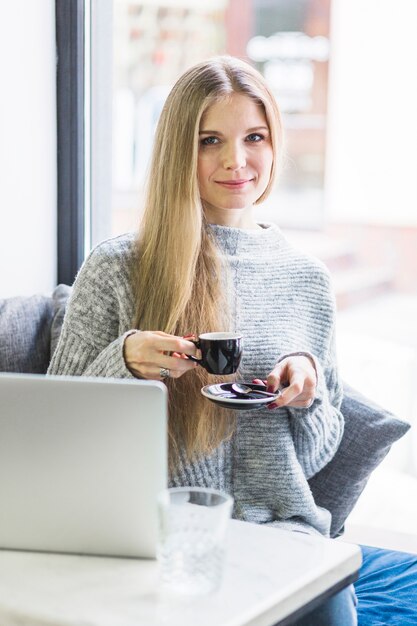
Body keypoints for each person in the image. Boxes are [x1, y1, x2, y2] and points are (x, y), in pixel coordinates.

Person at [48, 56, 356, 624]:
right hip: (150, 539)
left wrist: (308, 398)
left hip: (285, 542)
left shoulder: (307, 279)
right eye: (209, 140)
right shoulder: (119, 266)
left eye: (254, 137)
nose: (236, 161)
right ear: (177, 151)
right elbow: (53, 432)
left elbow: (315, 459)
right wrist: (123, 364)